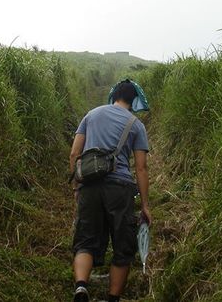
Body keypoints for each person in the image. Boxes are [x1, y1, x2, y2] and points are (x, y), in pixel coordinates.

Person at [69, 79, 151, 302]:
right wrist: (144, 205)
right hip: (121, 188)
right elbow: (141, 168)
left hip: (90, 185)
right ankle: (113, 298)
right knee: (123, 247)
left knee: (85, 240)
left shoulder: (91, 115)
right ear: (134, 100)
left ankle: (81, 287)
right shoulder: (136, 125)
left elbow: (75, 154)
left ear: (114, 95)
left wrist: (78, 186)